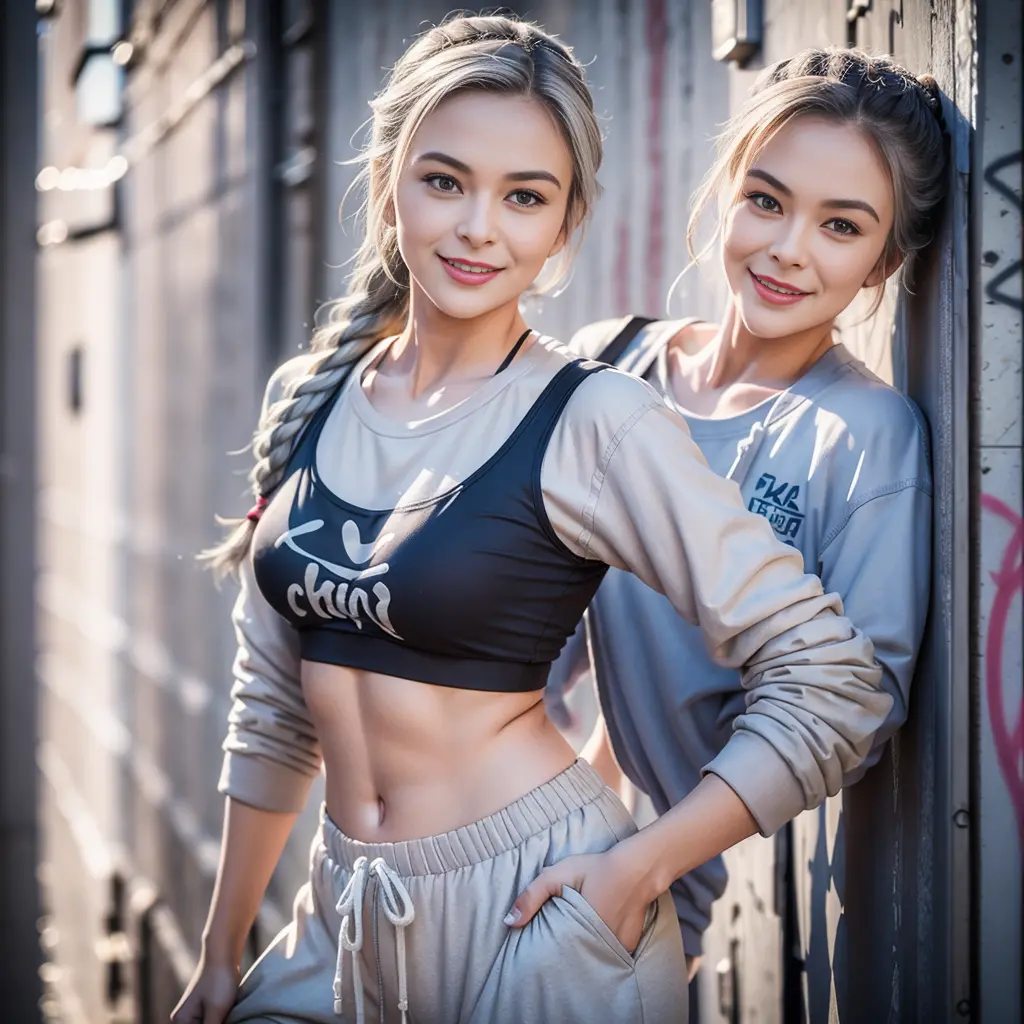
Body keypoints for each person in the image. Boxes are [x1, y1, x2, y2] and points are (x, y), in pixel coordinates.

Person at [172, 19, 892, 1024]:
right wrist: (218, 954)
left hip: (539, 914)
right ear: (387, 181)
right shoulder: (309, 398)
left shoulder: (591, 417)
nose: (478, 227)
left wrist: (640, 865)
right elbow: (274, 706)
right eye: (444, 180)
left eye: (524, 197)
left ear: (565, 222)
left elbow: (832, 682)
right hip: (339, 914)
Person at [547, 47, 948, 979]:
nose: (786, 248)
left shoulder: (862, 437)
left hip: (643, 902)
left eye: (840, 226)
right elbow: (522, 614)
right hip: (512, 834)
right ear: (728, 189)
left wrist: (637, 866)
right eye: (766, 200)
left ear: (885, 261)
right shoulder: (611, 367)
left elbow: (852, 705)